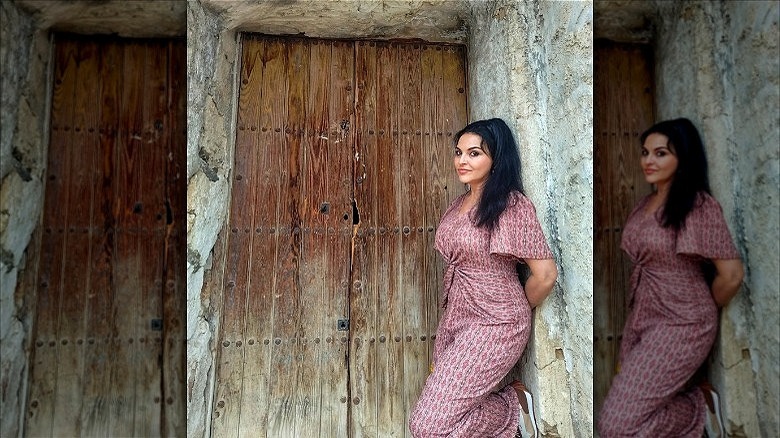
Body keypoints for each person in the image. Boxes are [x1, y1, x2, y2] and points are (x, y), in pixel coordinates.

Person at [409, 118, 558, 437]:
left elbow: (545, 276)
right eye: (459, 152)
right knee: (440, 421)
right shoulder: (457, 205)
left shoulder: (511, 205)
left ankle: (511, 407)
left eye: (474, 153)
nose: (462, 160)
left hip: (496, 325)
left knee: (427, 426)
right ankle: (510, 415)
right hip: (457, 321)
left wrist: (510, 309)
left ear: (496, 158)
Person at [598, 118, 744, 437]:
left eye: (661, 153)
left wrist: (697, 310)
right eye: (645, 152)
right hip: (643, 319)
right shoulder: (643, 206)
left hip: (683, 324)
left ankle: (697, 407)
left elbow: (731, 275)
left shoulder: (697, 206)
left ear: (683, 157)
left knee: (615, 426)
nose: (649, 160)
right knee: (625, 419)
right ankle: (697, 406)